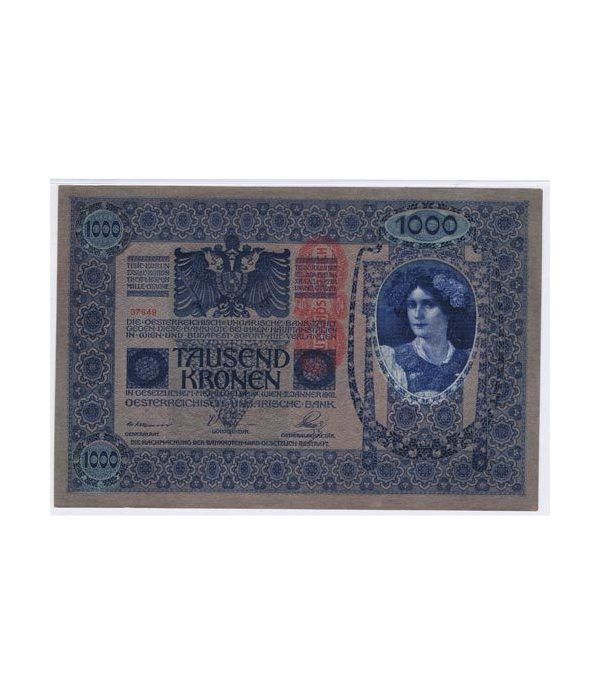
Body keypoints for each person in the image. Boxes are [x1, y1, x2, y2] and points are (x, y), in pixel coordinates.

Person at [380, 271, 471, 397]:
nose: (417, 314)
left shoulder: (467, 359)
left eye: (428, 305)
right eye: (412, 305)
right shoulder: (393, 359)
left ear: (448, 310)